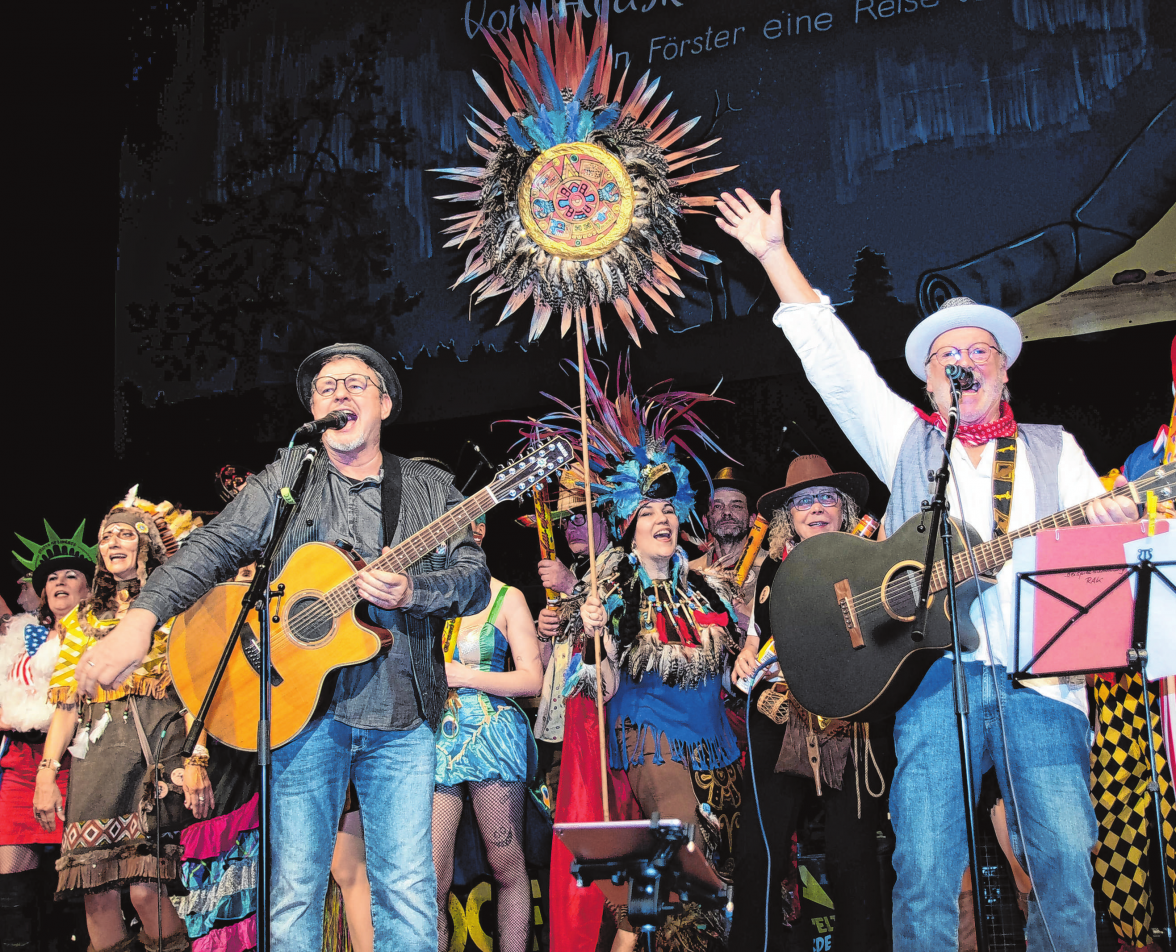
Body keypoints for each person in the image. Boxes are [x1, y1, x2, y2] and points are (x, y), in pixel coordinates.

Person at [715, 187, 1139, 951]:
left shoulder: (1056, 450)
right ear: (929, 382)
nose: (964, 363)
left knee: (1065, 865)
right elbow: (835, 364)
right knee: (925, 870)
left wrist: (1111, 528)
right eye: (948, 357)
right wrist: (775, 255)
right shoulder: (909, 443)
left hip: (1042, 684)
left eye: (980, 352)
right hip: (933, 685)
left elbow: (1097, 573)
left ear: (1006, 372)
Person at [73, 343, 491, 952]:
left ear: (385, 404)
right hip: (297, 712)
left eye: (354, 383)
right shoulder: (287, 478)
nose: (339, 394)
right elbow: (212, 548)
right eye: (325, 388)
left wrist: (414, 590)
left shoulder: (429, 488)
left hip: (402, 712)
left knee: (405, 882)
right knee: (293, 885)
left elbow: (474, 579)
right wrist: (141, 620)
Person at [575, 392, 743, 949]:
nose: (662, 519)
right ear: (628, 525)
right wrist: (593, 635)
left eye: (668, 509)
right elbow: (600, 685)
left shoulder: (708, 588)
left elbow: (733, 670)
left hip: (717, 746)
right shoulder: (612, 590)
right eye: (647, 512)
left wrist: (747, 655)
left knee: (713, 876)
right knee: (690, 866)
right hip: (652, 740)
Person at [730, 455, 893, 952]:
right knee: (760, 848)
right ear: (788, 516)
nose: (815, 508)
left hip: (853, 718)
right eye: (802, 502)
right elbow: (757, 641)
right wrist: (743, 656)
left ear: (843, 508)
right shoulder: (771, 571)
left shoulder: (873, 559)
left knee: (853, 852)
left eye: (825, 498)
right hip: (782, 715)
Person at [34, 502, 211, 952]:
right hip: (97, 756)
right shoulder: (81, 618)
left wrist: (197, 758)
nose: (113, 542)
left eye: (126, 534)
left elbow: (196, 690)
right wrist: (47, 773)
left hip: (156, 743)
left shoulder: (174, 609)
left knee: (145, 887)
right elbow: (66, 704)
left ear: (147, 544)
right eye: (107, 536)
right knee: (96, 893)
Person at [433, 518, 543, 952]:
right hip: (436, 739)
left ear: (480, 532)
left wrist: (462, 675)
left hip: (493, 736)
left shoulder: (507, 597)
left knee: (506, 865)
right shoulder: (429, 599)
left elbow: (532, 679)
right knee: (432, 875)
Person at [1, 521, 95, 949]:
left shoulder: (102, 632)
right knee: (11, 883)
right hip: (21, 762)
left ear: (90, 588)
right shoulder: (19, 634)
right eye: (51, 577)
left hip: (83, 761)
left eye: (71, 575)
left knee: (79, 882)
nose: (59, 581)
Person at [689, 465, 764, 622]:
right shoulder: (690, 574)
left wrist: (752, 625)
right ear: (705, 520)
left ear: (752, 519)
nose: (727, 512)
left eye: (736, 506)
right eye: (717, 506)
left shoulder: (772, 568)